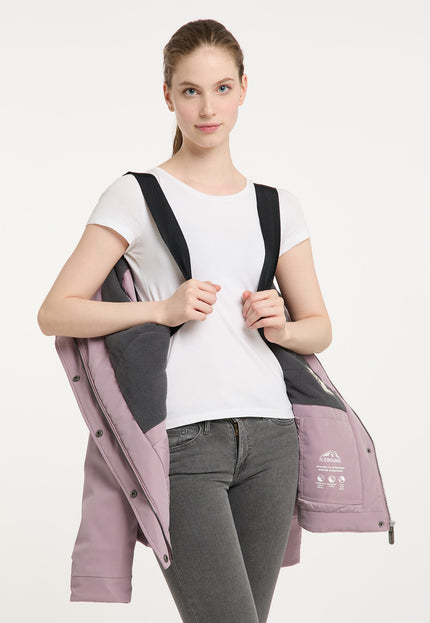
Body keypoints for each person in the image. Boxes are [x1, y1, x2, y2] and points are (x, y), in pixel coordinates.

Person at [38, 18, 332, 623]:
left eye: (222, 89)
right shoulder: (135, 194)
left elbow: (319, 327)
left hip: (273, 438)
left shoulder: (277, 205)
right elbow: (55, 311)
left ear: (244, 89)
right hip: (184, 442)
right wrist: (160, 309)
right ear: (168, 96)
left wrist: (281, 326)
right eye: (191, 91)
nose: (207, 108)